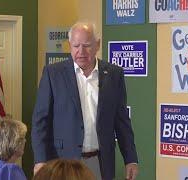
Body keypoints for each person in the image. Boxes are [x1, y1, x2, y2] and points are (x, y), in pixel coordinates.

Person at [32, 22, 139, 180]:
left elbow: (122, 121)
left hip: (100, 162)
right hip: (63, 163)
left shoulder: (114, 74)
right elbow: (40, 121)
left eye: (87, 45)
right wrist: (40, 160)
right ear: (70, 45)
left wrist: (131, 159)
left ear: (97, 45)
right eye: (76, 46)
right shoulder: (53, 74)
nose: (81, 52)